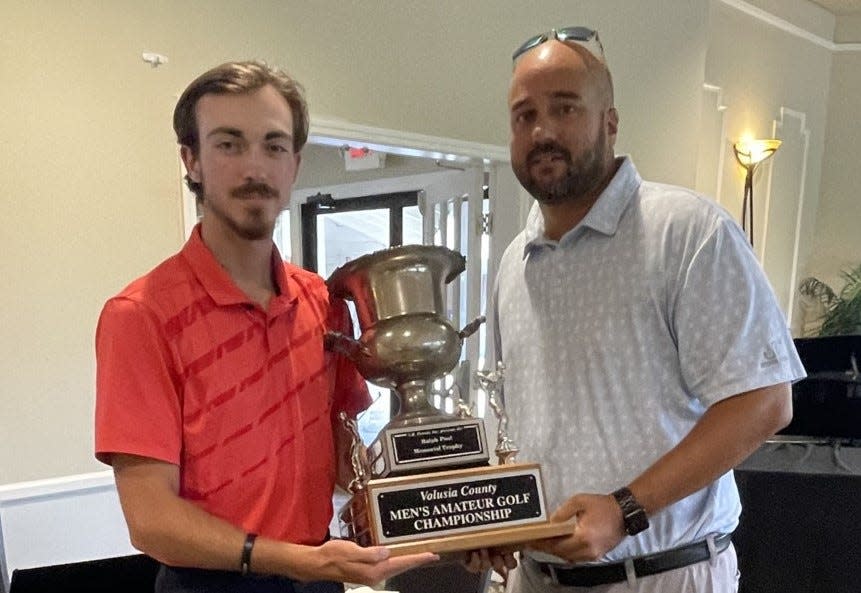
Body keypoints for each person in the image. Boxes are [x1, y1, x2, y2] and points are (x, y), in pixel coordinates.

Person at [467, 28, 806, 592]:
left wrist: (625, 509)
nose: (542, 131)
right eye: (524, 115)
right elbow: (524, 430)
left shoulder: (689, 232)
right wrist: (495, 520)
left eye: (565, 108)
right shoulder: (513, 264)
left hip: (661, 575)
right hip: (535, 579)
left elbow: (765, 400)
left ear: (610, 120)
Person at [94, 60, 437, 593]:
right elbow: (152, 520)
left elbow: (346, 460)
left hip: (320, 577)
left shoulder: (322, 301)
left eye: (273, 146)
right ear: (192, 159)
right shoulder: (140, 315)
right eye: (229, 144)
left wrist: (451, 509)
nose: (255, 168)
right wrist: (297, 562)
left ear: (295, 163)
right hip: (210, 584)